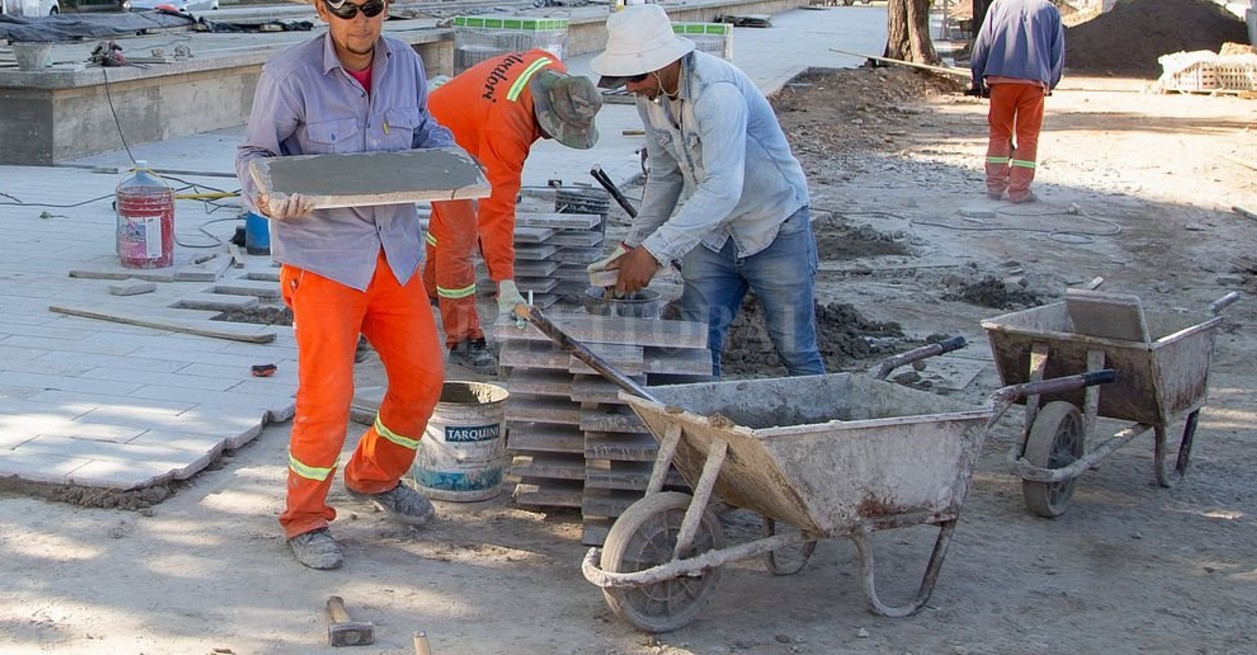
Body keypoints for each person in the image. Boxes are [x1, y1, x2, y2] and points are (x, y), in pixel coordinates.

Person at [235, 0, 451, 570]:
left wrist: (450, 159)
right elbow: (255, 155)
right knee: (326, 399)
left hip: (395, 253)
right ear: (321, 9)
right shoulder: (290, 74)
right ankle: (304, 518)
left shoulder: (406, 62)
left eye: (372, 7)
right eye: (346, 8)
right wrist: (270, 197)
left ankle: (373, 477)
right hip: (325, 260)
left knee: (424, 377)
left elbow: (426, 129)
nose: (361, 22)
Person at [587, 4, 824, 377]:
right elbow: (665, 176)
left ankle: (818, 430)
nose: (632, 88)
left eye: (635, 77)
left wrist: (654, 253)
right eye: (624, 80)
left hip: (773, 226)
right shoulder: (650, 99)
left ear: (665, 62)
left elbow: (723, 189)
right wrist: (632, 246)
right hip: (713, 234)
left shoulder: (717, 94)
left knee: (794, 345)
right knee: (695, 346)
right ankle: (703, 428)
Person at [425, 50, 602, 372]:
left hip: (449, 114)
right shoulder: (507, 128)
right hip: (437, 143)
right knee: (460, 237)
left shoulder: (551, 69)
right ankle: (463, 338)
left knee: (448, 225)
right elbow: (498, 211)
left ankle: (429, 291)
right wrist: (504, 281)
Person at [969, 0, 1065, 204]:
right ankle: (1019, 191)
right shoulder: (1048, 10)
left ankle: (995, 187)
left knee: (999, 133)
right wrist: (1051, 83)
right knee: (1028, 137)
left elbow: (984, 42)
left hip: (1000, 79)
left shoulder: (999, 5)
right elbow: (1057, 53)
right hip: (1034, 82)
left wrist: (977, 78)